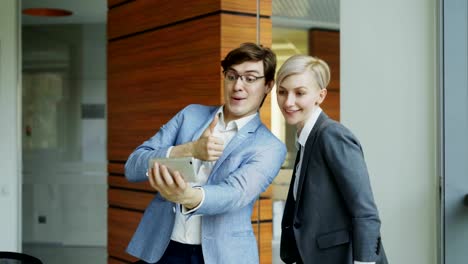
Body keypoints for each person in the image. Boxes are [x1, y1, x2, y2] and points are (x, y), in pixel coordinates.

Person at [124, 43, 287, 264]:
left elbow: (235, 194)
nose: (238, 86)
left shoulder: (269, 146)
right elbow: (133, 167)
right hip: (163, 247)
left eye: (250, 78)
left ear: (268, 85)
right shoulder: (190, 115)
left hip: (221, 255)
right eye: (232, 76)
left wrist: (185, 196)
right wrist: (190, 149)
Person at [276, 55, 388, 264]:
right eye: (282, 92)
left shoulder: (331, 135)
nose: (288, 102)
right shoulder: (306, 139)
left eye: (299, 93)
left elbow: (365, 212)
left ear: (320, 95)